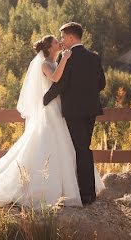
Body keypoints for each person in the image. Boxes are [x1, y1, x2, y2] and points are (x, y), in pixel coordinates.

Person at [0, 34, 104, 208]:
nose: (60, 43)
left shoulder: (55, 61)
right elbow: (56, 79)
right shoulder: (45, 64)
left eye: (61, 40)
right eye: (56, 42)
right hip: (50, 108)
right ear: (50, 48)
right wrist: (65, 59)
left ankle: (66, 187)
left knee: (64, 146)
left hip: (56, 107)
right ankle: (45, 189)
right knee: (50, 143)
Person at [42, 21, 106, 205]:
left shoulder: (66, 57)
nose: (62, 41)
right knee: (84, 148)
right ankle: (88, 192)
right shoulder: (94, 57)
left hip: (73, 111)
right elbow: (102, 84)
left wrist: (45, 100)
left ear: (71, 37)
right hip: (91, 109)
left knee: (79, 150)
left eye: (63, 37)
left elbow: (60, 84)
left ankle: (85, 194)